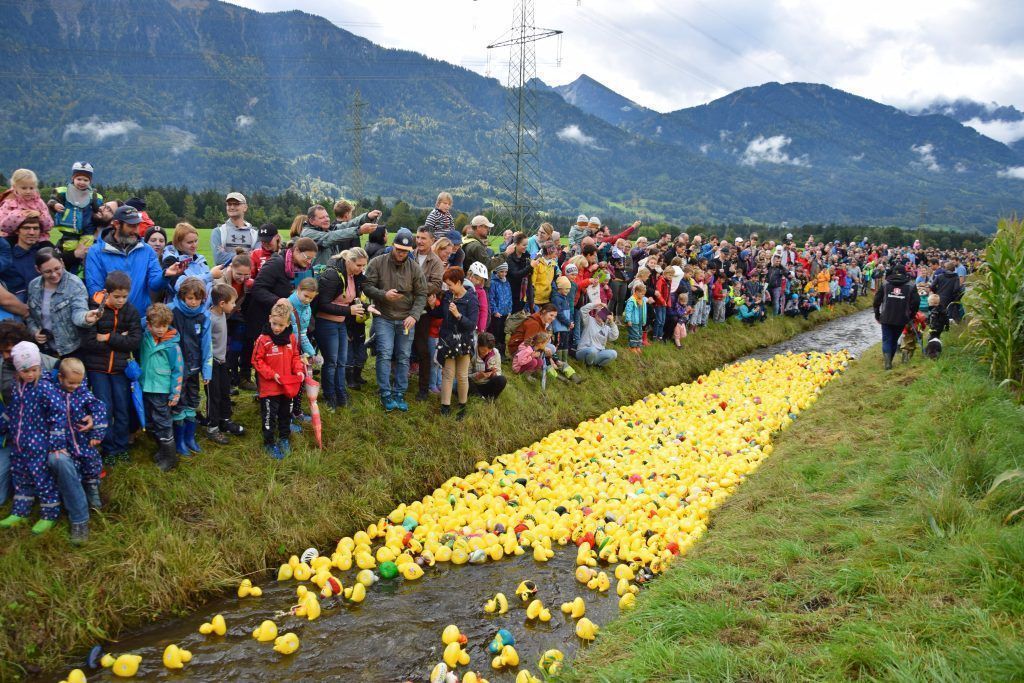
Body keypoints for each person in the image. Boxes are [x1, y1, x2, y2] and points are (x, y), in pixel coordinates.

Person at [79, 272, 142, 465]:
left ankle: (122, 447)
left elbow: (134, 341)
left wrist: (107, 337)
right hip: (97, 370)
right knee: (104, 408)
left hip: (120, 369)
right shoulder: (94, 310)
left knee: (122, 408)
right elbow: (88, 342)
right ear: (107, 293)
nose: (121, 300)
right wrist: (119, 338)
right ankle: (108, 447)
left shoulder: (131, 311)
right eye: (117, 296)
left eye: (125, 296)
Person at [362, 228, 427, 412]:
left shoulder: (414, 267)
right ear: (392, 245)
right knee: (384, 353)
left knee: (404, 356)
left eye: (405, 251)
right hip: (384, 317)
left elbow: (422, 293)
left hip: (406, 318)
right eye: (398, 250)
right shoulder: (377, 262)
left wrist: (414, 315)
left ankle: (399, 392)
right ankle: (385, 393)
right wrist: (383, 295)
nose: (401, 254)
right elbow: (366, 285)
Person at [0, 341, 62, 536]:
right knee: (21, 476)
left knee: (41, 478)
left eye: (34, 370)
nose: (30, 374)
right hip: (19, 443)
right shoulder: (18, 388)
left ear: (39, 367)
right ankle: (20, 511)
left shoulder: (45, 387)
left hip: (39, 444)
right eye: (25, 371)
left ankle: (49, 513)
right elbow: (12, 411)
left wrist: (56, 442)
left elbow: (57, 414)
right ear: (18, 371)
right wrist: (3, 423)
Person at [46, 357, 106, 544]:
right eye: (71, 383)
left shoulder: (81, 391)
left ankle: (93, 490)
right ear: (61, 377)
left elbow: (99, 407)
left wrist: (97, 429)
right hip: (64, 443)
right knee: (75, 469)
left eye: (78, 383)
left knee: (91, 464)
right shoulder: (52, 390)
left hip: (83, 440)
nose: (74, 386)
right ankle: (78, 498)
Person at [85, 205, 181, 315]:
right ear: (116, 224)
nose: (136, 231)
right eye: (131, 226)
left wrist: (166, 275)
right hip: (111, 320)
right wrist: (115, 315)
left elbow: (154, 284)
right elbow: (95, 291)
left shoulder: (147, 250)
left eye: (137, 225)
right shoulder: (96, 252)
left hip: (140, 319)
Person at [245, 238, 319, 376]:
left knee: (288, 358)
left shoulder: (308, 269)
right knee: (271, 358)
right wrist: (278, 300)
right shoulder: (276, 264)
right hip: (270, 320)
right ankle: (267, 391)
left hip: (293, 322)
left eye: (312, 259)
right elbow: (258, 288)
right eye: (307, 257)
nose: (309, 262)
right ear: (296, 250)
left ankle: (289, 387)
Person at [314, 247, 367, 410]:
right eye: (359, 265)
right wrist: (348, 311)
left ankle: (341, 396)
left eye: (364, 265)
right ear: (348, 261)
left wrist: (366, 307)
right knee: (332, 362)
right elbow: (322, 304)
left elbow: (352, 299)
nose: (361, 269)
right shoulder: (333, 275)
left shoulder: (353, 275)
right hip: (326, 323)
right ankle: (330, 397)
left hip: (341, 322)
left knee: (341, 362)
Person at [252, 302, 305, 459]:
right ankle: (269, 442)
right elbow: (256, 360)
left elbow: (295, 356)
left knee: (285, 413)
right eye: (274, 323)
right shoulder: (263, 339)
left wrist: (298, 370)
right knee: (269, 415)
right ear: (269, 319)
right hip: (269, 387)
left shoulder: (291, 338)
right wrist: (271, 374)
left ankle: (284, 438)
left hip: (287, 385)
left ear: (288, 323)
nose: (276, 328)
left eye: (281, 325)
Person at [27, 250, 98, 358]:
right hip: (45, 350)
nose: (54, 274)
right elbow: (30, 316)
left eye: (57, 269)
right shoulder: (33, 286)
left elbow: (78, 311)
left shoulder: (74, 284)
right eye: (48, 271)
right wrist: (35, 332)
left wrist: (86, 318)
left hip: (72, 349)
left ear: (62, 262)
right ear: (38, 269)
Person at [169, 277, 211, 456]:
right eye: (190, 298)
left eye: (197, 299)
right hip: (176, 369)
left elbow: (206, 344)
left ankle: (190, 438)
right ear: (182, 296)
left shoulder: (203, 316)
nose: (193, 302)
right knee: (177, 401)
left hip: (194, 368)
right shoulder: (172, 312)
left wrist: (206, 370)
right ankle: (178, 441)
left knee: (193, 400)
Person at [139, 303, 183, 472]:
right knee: (151, 420)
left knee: (163, 422)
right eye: (156, 326)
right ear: (149, 325)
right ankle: (161, 451)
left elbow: (178, 370)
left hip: (162, 390)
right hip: (146, 386)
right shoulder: (146, 337)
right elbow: (142, 322)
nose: (160, 330)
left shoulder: (173, 345)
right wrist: (152, 315)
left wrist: (175, 393)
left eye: (164, 326)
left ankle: (170, 458)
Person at [432, 267, 478, 419]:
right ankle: (445, 406)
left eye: (450, 284)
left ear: (459, 282)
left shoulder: (471, 299)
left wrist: (458, 315)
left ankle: (462, 405)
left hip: (463, 341)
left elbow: (472, 325)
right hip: (448, 340)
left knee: (461, 375)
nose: (448, 287)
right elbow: (439, 314)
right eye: (446, 284)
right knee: (447, 374)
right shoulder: (447, 296)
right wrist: (433, 305)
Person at [209, 249, 253, 394]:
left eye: (247, 274)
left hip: (235, 315)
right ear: (231, 268)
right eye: (239, 274)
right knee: (223, 348)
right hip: (222, 316)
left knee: (236, 347)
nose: (242, 278)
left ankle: (234, 377)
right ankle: (225, 382)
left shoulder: (248, 283)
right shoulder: (221, 279)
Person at [47, 162, 103, 266]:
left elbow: (97, 209)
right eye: (79, 179)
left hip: (87, 229)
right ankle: (71, 263)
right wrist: (55, 205)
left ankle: (83, 264)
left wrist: (98, 212)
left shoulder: (94, 196)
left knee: (87, 246)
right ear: (73, 178)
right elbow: (51, 201)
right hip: (69, 231)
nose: (82, 182)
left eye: (85, 180)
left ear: (90, 181)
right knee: (70, 247)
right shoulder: (64, 191)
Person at [413, 227, 445, 401]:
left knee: (423, 349)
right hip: (404, 308)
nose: (419, 241)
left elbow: (436, 285)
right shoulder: (410, 255)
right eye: (417, 237)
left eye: (423, 238)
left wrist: (416, 289)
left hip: (423, 311)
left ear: (432, 240)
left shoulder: (436, 262)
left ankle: (423, 388)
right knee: (400, 349)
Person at [205, 283, 239, 446]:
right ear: (222, 304)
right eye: (232, 302)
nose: (234, 305)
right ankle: (212, 427)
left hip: (222, 361)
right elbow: (203, 343)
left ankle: (225, 420)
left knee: (225, 391)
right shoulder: (209, 318)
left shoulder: (221, 314)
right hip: (212, 364)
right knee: (214, 395)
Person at [302, 201, 381, 269]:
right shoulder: (308, 234)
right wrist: (359, 230)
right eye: (322, 218)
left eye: (327, 216)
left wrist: (367, 217)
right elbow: (331, 237)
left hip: (329, 277)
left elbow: (348, 225)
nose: (327, 219)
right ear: (311, 221)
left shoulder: (326, 229)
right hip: (317, 279)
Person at [874, 262, 919, 370]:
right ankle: (890, 361)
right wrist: (911, 316)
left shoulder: (885, 284)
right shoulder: (911, 285)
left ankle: (887, 363)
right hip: (902, 318)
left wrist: (877, 314)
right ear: (905, 273)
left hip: (886, 317)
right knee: (894, 340)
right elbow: (916, 303)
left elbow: (876, 301)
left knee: (886, 339)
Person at [2, 211, 55, 302]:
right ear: (17, 231)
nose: (31, 232)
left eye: (36, 228)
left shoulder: (45, 254)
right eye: (26, 228)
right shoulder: (7, 257)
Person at [287, 277, 318, 428]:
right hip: (286, 351)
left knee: (300, 380)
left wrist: (311, 353)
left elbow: (303, 333)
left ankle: (297, 411)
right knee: (289, 384)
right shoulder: (287, 305)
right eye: (305, 296)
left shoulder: (308, 307)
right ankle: (287, 417)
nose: (307, 300)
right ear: (298, 290)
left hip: (298, 351)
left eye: (311, 298)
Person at [162, 222, 213, 298]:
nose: (194, 245)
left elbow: (209, 284)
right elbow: (181, 286)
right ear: (179, 243)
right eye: (190, 242)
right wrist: (210, 275)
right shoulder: (171, 260)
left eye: (196, 241)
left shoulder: (200, 259)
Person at [0, 169, 54, 238]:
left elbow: (49, 226)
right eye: (24, 188)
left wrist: (40, 215)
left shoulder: (39, 202)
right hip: (13, 238)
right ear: (14, 187)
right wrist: (20, 215)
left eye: (31, 188)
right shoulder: (9, 203)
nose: (28, 191)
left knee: (48, 248)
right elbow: (3, 226)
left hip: (38, 239)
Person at [210, 192, 256, 265]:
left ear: (245, 207)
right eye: (229, 204)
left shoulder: (255, 234)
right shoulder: (218, 232)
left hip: (248, 275)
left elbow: (257, 258)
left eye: (236, 204)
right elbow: (219, 259)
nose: (232, 207)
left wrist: (228, 255)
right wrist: (247, 255)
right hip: (224, 275)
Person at [576, 300, 619, 366]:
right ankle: (588, 365)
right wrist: (596, 304)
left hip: (598, 353)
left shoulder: (606, 328)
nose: (599, 316)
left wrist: (612, 322)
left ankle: (598, 365)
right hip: (583, 351)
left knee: (614, 353)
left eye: (602, 315)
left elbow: (614, 336)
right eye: (599, 313)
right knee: (592, 350)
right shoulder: (589, 320)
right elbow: (583, 310)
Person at [469, 332, 506, 400]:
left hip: (487, 384)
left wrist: (494, 374)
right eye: (483, 350)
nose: (486, 353)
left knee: (502, 380)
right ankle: (479, 397)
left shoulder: (495, 352)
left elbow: (499, 371)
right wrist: (478, 376)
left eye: (489, 350)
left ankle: (490, 398)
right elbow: (467, 375)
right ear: (478, 345)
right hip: (475, 384)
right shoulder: (471, 352)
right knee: (465, 381)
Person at [488, 262, 512, 353]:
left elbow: (509, 296)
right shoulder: (493, 282)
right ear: (497, 271)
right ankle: (495, 351)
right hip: (497, 313)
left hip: (505, 312)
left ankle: (502, 352)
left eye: (506, 272)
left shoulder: (507, 282)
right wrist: (495, 311)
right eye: (502, 271)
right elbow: (491, 298)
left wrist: (509, 309)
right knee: (496, 333)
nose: (504, 274)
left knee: (503, 333)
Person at [462, 215, 494, 282]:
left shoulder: (466, 239)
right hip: (477, 283)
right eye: (486, 227)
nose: (488, 230)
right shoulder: (476, 246)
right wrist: (506, 254)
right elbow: (489, 265)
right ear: (478, 227)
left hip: (470, 281)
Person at [624, 282, 647, 353]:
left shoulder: (642, 300)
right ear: (636, 292)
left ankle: (638, 346)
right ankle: (632, 347)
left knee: (639, 333)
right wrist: (628, 320)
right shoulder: (631, 300)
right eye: (641, 294)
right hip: (633, 321)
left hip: (640, 320)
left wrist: (643, 320)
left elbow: (644, 311)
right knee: (634, 334)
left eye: (644, 294)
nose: (643, 296)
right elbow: (628, 311)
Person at [467, 262, 489, 335]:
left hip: (474, 326)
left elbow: (483, 311)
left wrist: (481, 328)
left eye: (479, 279)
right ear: (469, 275)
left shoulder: (481, 292)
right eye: (475, 278)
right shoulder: (463, 287)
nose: (477, 281)